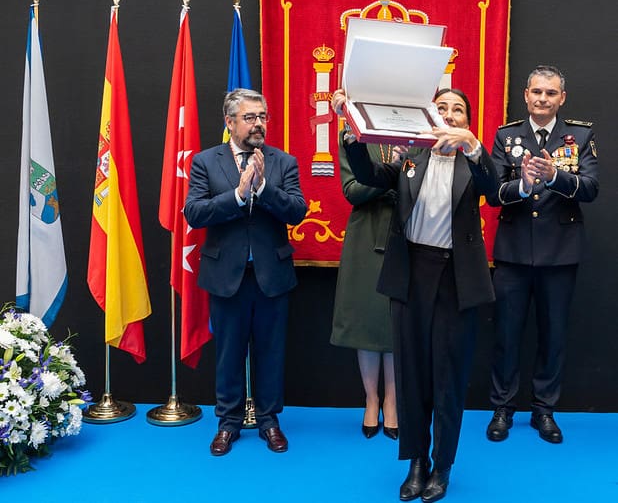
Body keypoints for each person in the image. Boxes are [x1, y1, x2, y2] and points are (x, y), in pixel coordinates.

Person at [332, 88, 498, 503]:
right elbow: (367, 176)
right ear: (429, 117)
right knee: (411, 375)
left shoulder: (472, 162)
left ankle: (442, 466)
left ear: (467, 122)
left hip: (456, 279)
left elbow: (495, 189)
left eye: (458, 110)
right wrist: (350, 130)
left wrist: (474, 146)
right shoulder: (409, 159)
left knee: (448, 378)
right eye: (441, 108)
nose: (449, 115)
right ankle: (417, 462)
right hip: (411, 275)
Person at [184, 88, 307, 456]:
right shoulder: (206, 162)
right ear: (230, 122)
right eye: (250, 117)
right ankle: (228, 423)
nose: (258, 124)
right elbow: (195, 213)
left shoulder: (283, 162)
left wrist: (264, 187)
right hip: (226, 277)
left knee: (271, 354)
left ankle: (269, 422)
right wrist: (238, 195)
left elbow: (296, 211)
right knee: (229, 354)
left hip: (272, 276)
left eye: (262, 117)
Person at [485, 65, 599, 444]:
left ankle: (544, 410)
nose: (542, 99)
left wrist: (554, 177)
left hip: (560, 254)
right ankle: (503, 408)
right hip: (514, 252)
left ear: (561, 98)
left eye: (550, 93)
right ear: (526, 95)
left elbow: (591, 188)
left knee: (553, 336)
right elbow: (492, 193)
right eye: (536, 91)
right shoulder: (506, 136)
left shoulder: (579, 136)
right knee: (506, 334)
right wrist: (523, 184)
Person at [331, 140, 399, 440]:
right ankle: (371, 399)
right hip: (365, 235)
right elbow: (352, 191)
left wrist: (388, 180)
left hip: (406, 232)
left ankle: (392, 401)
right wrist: (391, 176)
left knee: (396, 320)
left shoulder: (418, 134)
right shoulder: (354, 136)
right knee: (366, 322)